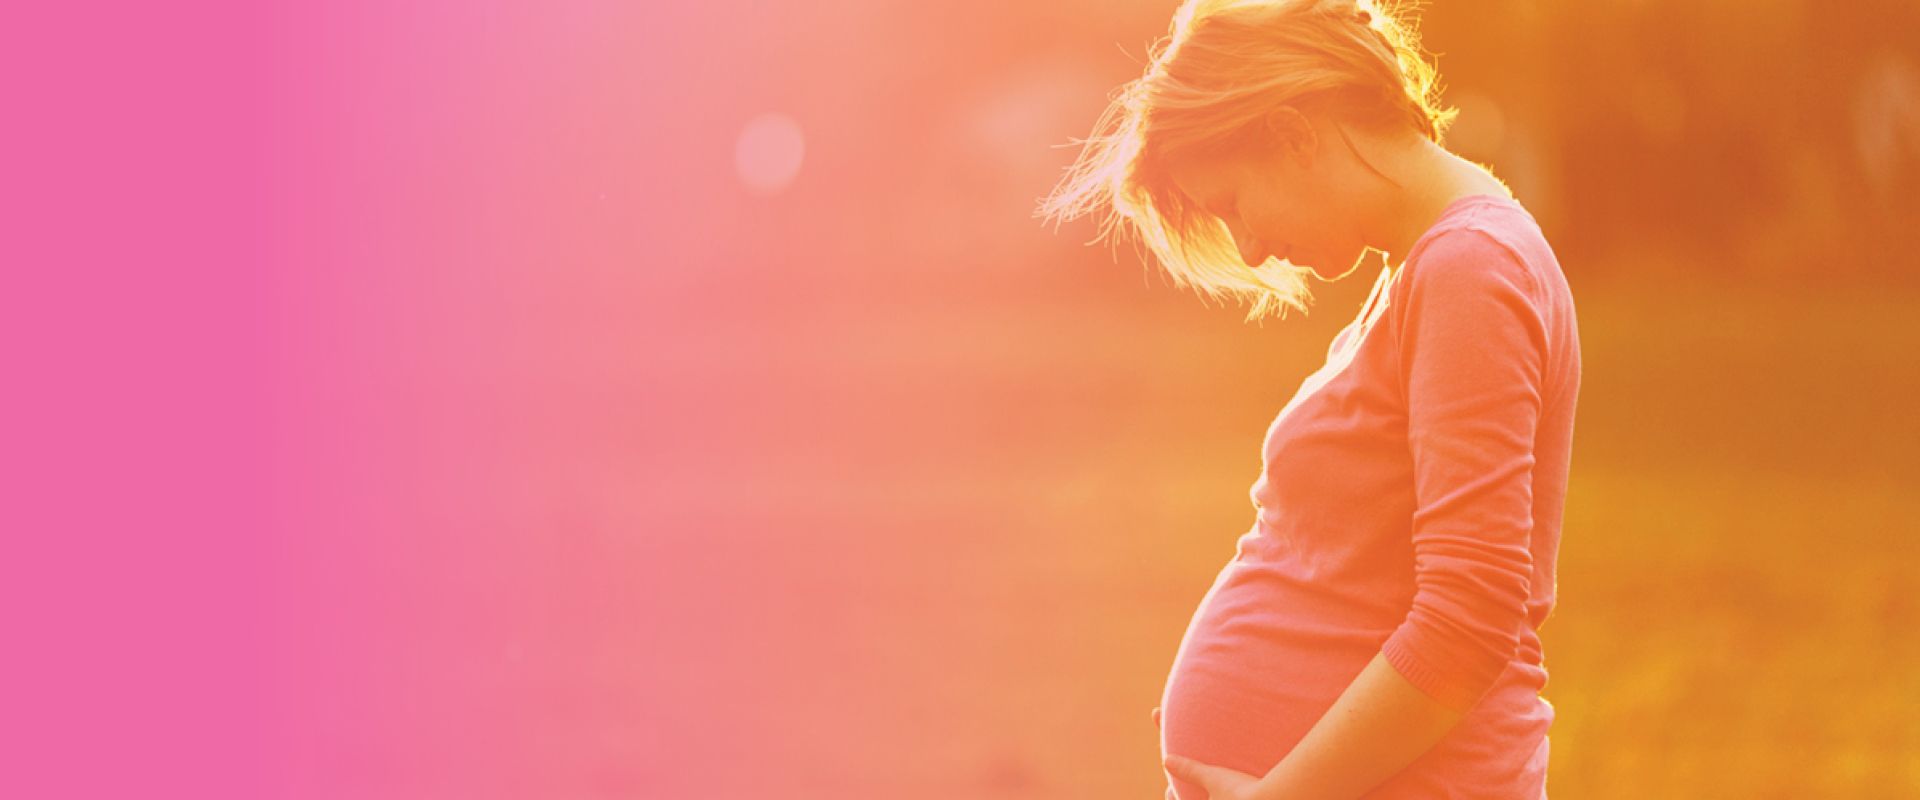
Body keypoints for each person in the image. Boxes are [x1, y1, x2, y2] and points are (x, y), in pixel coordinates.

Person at [1036, 1, 1582, 798]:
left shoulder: (1470, 270)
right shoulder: (1429, 266)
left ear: (1295, 136)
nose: (1251, 248)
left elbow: (1469, 622)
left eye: (1232, 206)